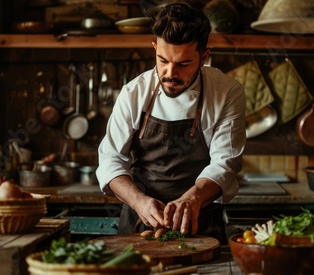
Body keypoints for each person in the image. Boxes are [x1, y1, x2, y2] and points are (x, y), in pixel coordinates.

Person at [96, 2, 246, 243]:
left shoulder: (227, 93)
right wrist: (139, 201)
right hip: (140, 220)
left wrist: (193, 199)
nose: (170, 73)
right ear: (154, 47)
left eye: (184, 63)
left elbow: (225, 163)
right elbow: (110, 160)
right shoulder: (133, 93)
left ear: (204, 57)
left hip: (201, 222)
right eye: (163, 60)